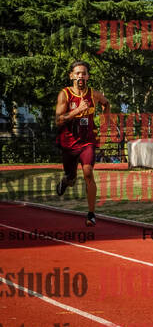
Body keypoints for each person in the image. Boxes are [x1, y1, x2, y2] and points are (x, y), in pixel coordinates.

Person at [55, 60, 110, 227]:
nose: (81, 76)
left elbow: (106, 103)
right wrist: (77, 110)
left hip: (88, 141)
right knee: (72, 178)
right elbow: (58, 120)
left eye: (84, 73)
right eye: (77, 73)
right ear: (71, 76)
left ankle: (91, 214)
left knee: (88, 172)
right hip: (69, 143)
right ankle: (66, 181)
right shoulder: (65, 94)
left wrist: (105, 121)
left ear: (88, 76)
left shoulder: (94, 94)